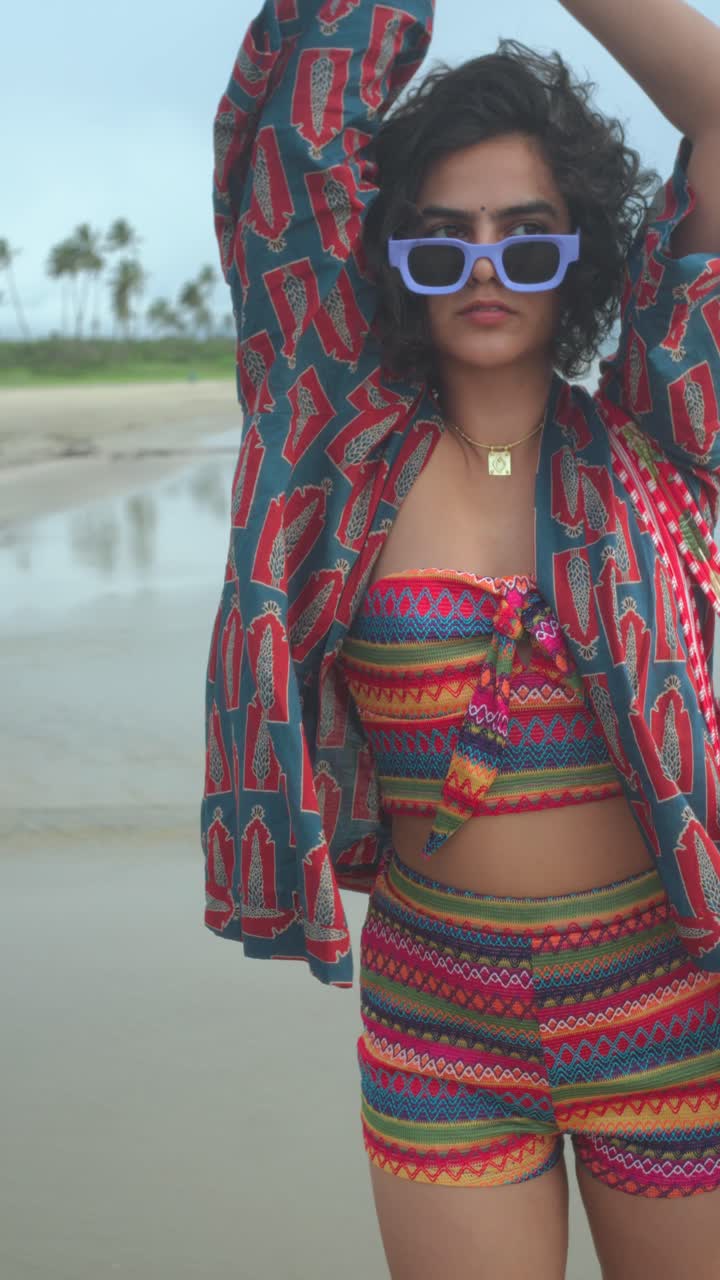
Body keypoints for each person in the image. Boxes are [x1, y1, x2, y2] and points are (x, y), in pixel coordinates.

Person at [201, 0, 720, 1274]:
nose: (484, 273)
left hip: (672, 1002)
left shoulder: (665, 430)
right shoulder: (336, 448)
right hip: (440, 1016)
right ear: (392, 262)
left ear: (585, 253)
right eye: (440, 246)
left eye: (527, 241)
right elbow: (294, 142)